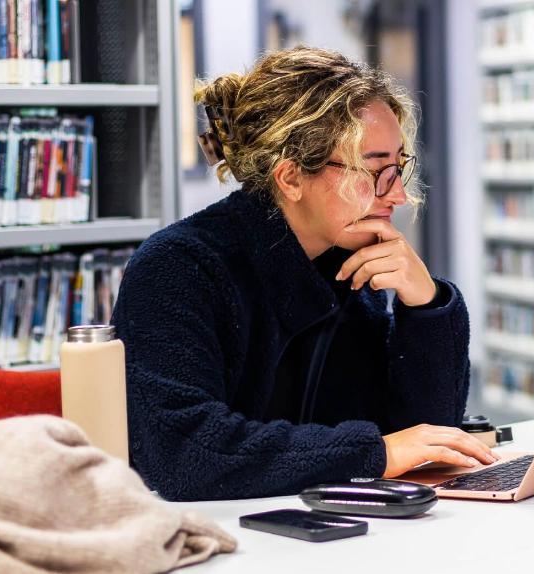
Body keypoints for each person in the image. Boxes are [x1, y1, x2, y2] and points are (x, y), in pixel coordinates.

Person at [111, 46, 496, 502]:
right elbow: (187, 453)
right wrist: (371, 453)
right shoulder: (177, 267)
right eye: (374, 171)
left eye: (399, 167)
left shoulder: (352, 265)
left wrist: (426, 305)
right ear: (290, 178)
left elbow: (424, 437)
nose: (397, 196)